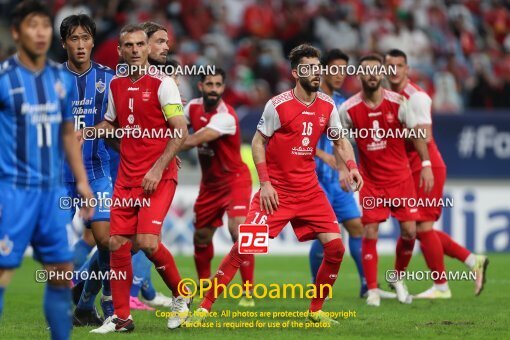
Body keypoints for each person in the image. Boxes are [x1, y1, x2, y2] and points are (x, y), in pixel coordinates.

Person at [188, 44, 363, 326]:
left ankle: (316, 310)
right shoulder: (278, 104)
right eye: (308, 68)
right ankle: (204, 309)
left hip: (309, 191)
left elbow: (340, 141)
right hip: (276, 193)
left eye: (318, 68)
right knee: (244, 246)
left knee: (335, 249)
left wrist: (352, 167)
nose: (316, 73)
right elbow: (258, 143)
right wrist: (266, 183)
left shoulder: (327, 105)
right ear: (296, 73)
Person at [0, 1, 94, 339]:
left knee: (60, 271)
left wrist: (82, 181)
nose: (40, 33)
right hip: (14, 191)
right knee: (3, 272)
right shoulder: (4, 80)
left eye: (44, 25)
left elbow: (68, 133)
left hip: (53, 190)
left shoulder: (60, 79)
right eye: (31, 26)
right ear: (16, 32)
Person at [89, 24, 189, 333]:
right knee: (117, 243)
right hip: (127, 177)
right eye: (128, 45)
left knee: (146, 242)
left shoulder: (164, 84)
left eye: (139, 44)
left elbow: (180, 131)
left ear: (147, 49)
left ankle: (182, 297)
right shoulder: (116, 85)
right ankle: (121, 318)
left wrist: (157, 167)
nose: (134, 50)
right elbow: (110, 123)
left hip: (158, 177)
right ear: (119, 51)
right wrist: (102, 131)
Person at [385, 48, 488, 298]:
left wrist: (423, 163)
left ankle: (441, 286)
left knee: (420, 227)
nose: (394, 70)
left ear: (407, 69)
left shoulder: (416, 97)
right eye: (390, 66)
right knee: (414, 228)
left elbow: (425, 134)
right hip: (410, 170)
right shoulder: (388, 97)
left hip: (426, 167)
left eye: (400, 65)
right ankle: (472, 260)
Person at [338, 54, 434, 307]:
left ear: (381, 74)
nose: (371, 75)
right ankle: (372, 290)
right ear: (359, 75)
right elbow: (341, 143)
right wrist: (344, 169)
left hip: (401, 178)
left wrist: (426, 165)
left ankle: (398, 278)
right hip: (371, 181)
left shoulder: (400, 101)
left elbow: (416, 135)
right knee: (370, 230)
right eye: (365, 71)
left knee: (410, 231)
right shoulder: (347, 109)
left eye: (375, 71)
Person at [181, 68, 255, 307]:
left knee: (240, 231)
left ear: (224, 87)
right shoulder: (191, 107)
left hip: (235, 180)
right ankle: (204, 286)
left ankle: (248, 292)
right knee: (201, 237)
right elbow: (176, 127)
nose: (214, 89)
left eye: (218, 85)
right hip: (209, 185)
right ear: (200, 86)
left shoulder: (226, 116)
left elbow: (192, 139)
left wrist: (162, 148)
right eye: (209, 84)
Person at [60, 13, 115, 325]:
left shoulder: (109, 80)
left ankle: (105, 305)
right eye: (74, 38)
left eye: (85, 38)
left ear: (93, 41)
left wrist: (95, 130)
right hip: (60, 176)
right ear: (64, 43)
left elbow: (118, 123)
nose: (80, 45)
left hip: (97, 171)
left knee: (108, 239)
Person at [309, 49, 371, 298]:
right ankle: (318, 285)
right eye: (334, 69)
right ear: (322, 70)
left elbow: (343, 140)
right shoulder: (311, 98)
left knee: (357, 227)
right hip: (315, 178)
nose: (339, 75)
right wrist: (324, 156)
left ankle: (367, 285)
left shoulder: (342, 102)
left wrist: (348, 167)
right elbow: (296, 137)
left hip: (337, 180)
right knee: (327, 232)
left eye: (343, 70)